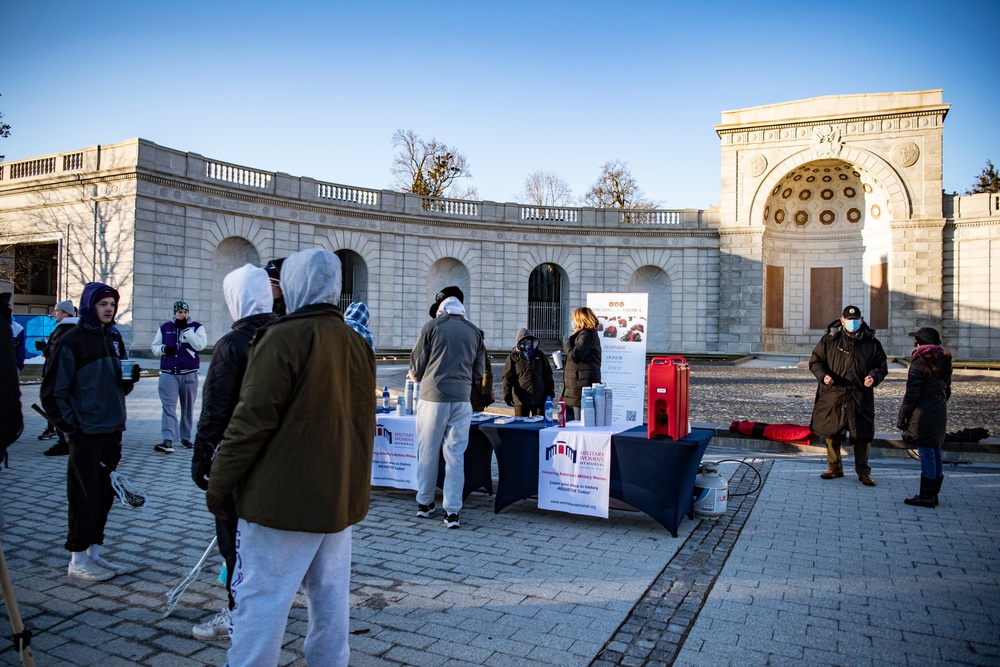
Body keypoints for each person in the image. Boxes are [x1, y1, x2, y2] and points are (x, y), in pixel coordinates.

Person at [206, 248, 375, 667]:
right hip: (337, 495)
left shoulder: (281, 337)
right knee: (331, 597)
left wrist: (219, 482)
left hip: (283, 497)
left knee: (261, 597)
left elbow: (250, 422)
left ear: (295, 286)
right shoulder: (356, 341)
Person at [189, 264, 275, 640]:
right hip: (279, 458)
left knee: (235, 542)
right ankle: (265, 608)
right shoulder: (283, 335)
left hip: (241, 459)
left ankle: (240, 615)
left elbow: (217, 409)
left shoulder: (232, 344)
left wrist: (202, 457)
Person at [40, 282, 140, 581]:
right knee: (84, 496)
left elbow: (119, 386)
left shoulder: (114, 338)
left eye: (112, 303)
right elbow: (52, 393)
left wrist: (129, 380)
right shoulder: (71, 341)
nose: (109, 308)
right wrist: (72, 429)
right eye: (102, 304)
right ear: (88, 306)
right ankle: (77, 559)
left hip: (112, 429)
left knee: (104, 495)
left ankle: (94, 554)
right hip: (86, 433)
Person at [410, 286, 486, 529]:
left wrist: (416, 375)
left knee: (428, 452)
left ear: (441, 309)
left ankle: (425, 503)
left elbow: (417, 364)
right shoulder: (474, 332)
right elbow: (478, 371)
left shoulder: (432, 327)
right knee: (455, 456)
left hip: (433, 397)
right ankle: (452, 511)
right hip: (462, 400)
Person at [809, 304, 888, 487]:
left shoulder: (871, 342)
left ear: (861, 320)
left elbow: (881, 365)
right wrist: (823, 376)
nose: (852, 323)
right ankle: (834, 467)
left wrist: (874, 376)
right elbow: (815, 361)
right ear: (842, 320)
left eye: (855, 320)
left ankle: (863, 471)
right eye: (849, 320)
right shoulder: (829, 340)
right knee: (832, 431)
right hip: (834, 393)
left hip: (860, 394)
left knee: (862, 433)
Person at [897, 327, 953, 508]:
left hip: (923, 413)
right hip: (938, 410)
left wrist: (902, 417)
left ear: (920, 343)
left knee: (927, 452)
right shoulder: (945, 360)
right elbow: (947, 390)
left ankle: (927, 495)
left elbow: (911, 394)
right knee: (935, 449)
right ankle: (933, 492)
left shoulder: (919, 362)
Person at [151, 300, 207, 453]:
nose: (183, 315)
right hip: (169, 374)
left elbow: (200, 345)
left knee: (188, 408)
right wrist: (163, 349)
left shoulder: (196, 327)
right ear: (174, 313)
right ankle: (168, 440)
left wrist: (187, 331)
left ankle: (186, 438)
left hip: (189, 374)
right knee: (168, 407)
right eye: (180, 312)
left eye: (185, 312)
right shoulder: (165, 327)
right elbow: (154, 347)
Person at [37, 300, 79, 454]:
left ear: (66, 313)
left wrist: (45, 348)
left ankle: (64, 441)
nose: (54, 313)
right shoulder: (72, 328)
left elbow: (56, 353)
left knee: (59, 406)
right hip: (66, 376)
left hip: (59, 376)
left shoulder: (64, 330)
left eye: (57, 310)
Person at [503, 327, 555, 417]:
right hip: (521, 399)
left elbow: (548, 375)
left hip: (539, 398)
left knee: (539, 426)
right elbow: (507, 377)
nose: (526, 343)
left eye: (528, 340)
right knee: (521, 428)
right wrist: (507, 395)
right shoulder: (513, 357)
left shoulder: (539, 355)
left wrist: (550, 393)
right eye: (523, 341)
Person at [561, 307, 602, 421]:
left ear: (580, 320)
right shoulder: (581, 336)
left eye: (574, 319)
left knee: (577, 423)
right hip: (574, 387)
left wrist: (567, 342)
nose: (572, 322)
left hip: (580, 388)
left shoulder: (587, 335)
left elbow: (576, 355)